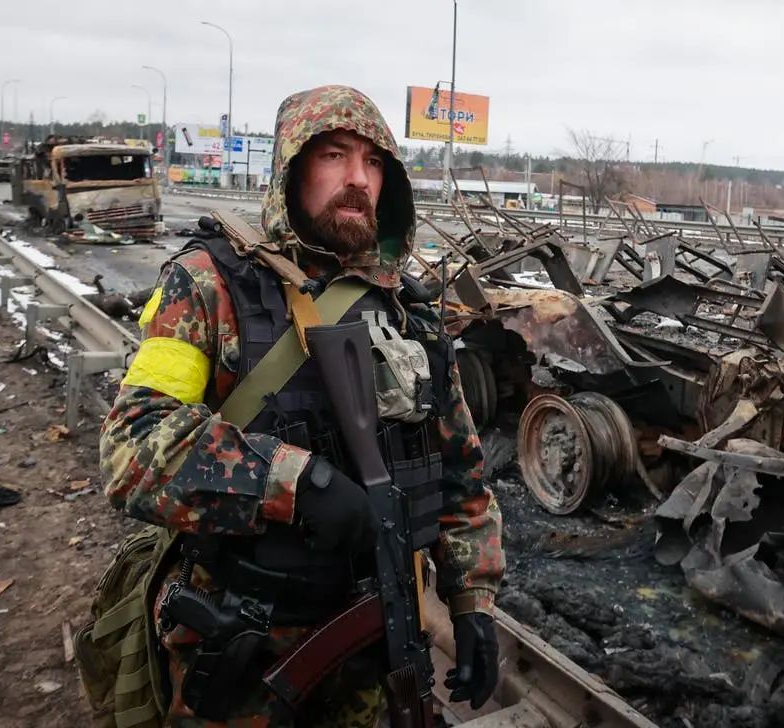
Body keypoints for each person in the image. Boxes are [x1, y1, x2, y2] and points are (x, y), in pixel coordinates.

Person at [97, 85, 505, 726]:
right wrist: (294, 480)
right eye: (335, 155)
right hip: (246, 649)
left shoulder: (411, 314)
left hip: (375, 644)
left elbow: (461, 473)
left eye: (374, 163)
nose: (357, 179)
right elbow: (132, 448)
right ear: (291, 166)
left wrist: (473, 601)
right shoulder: (209, 283)